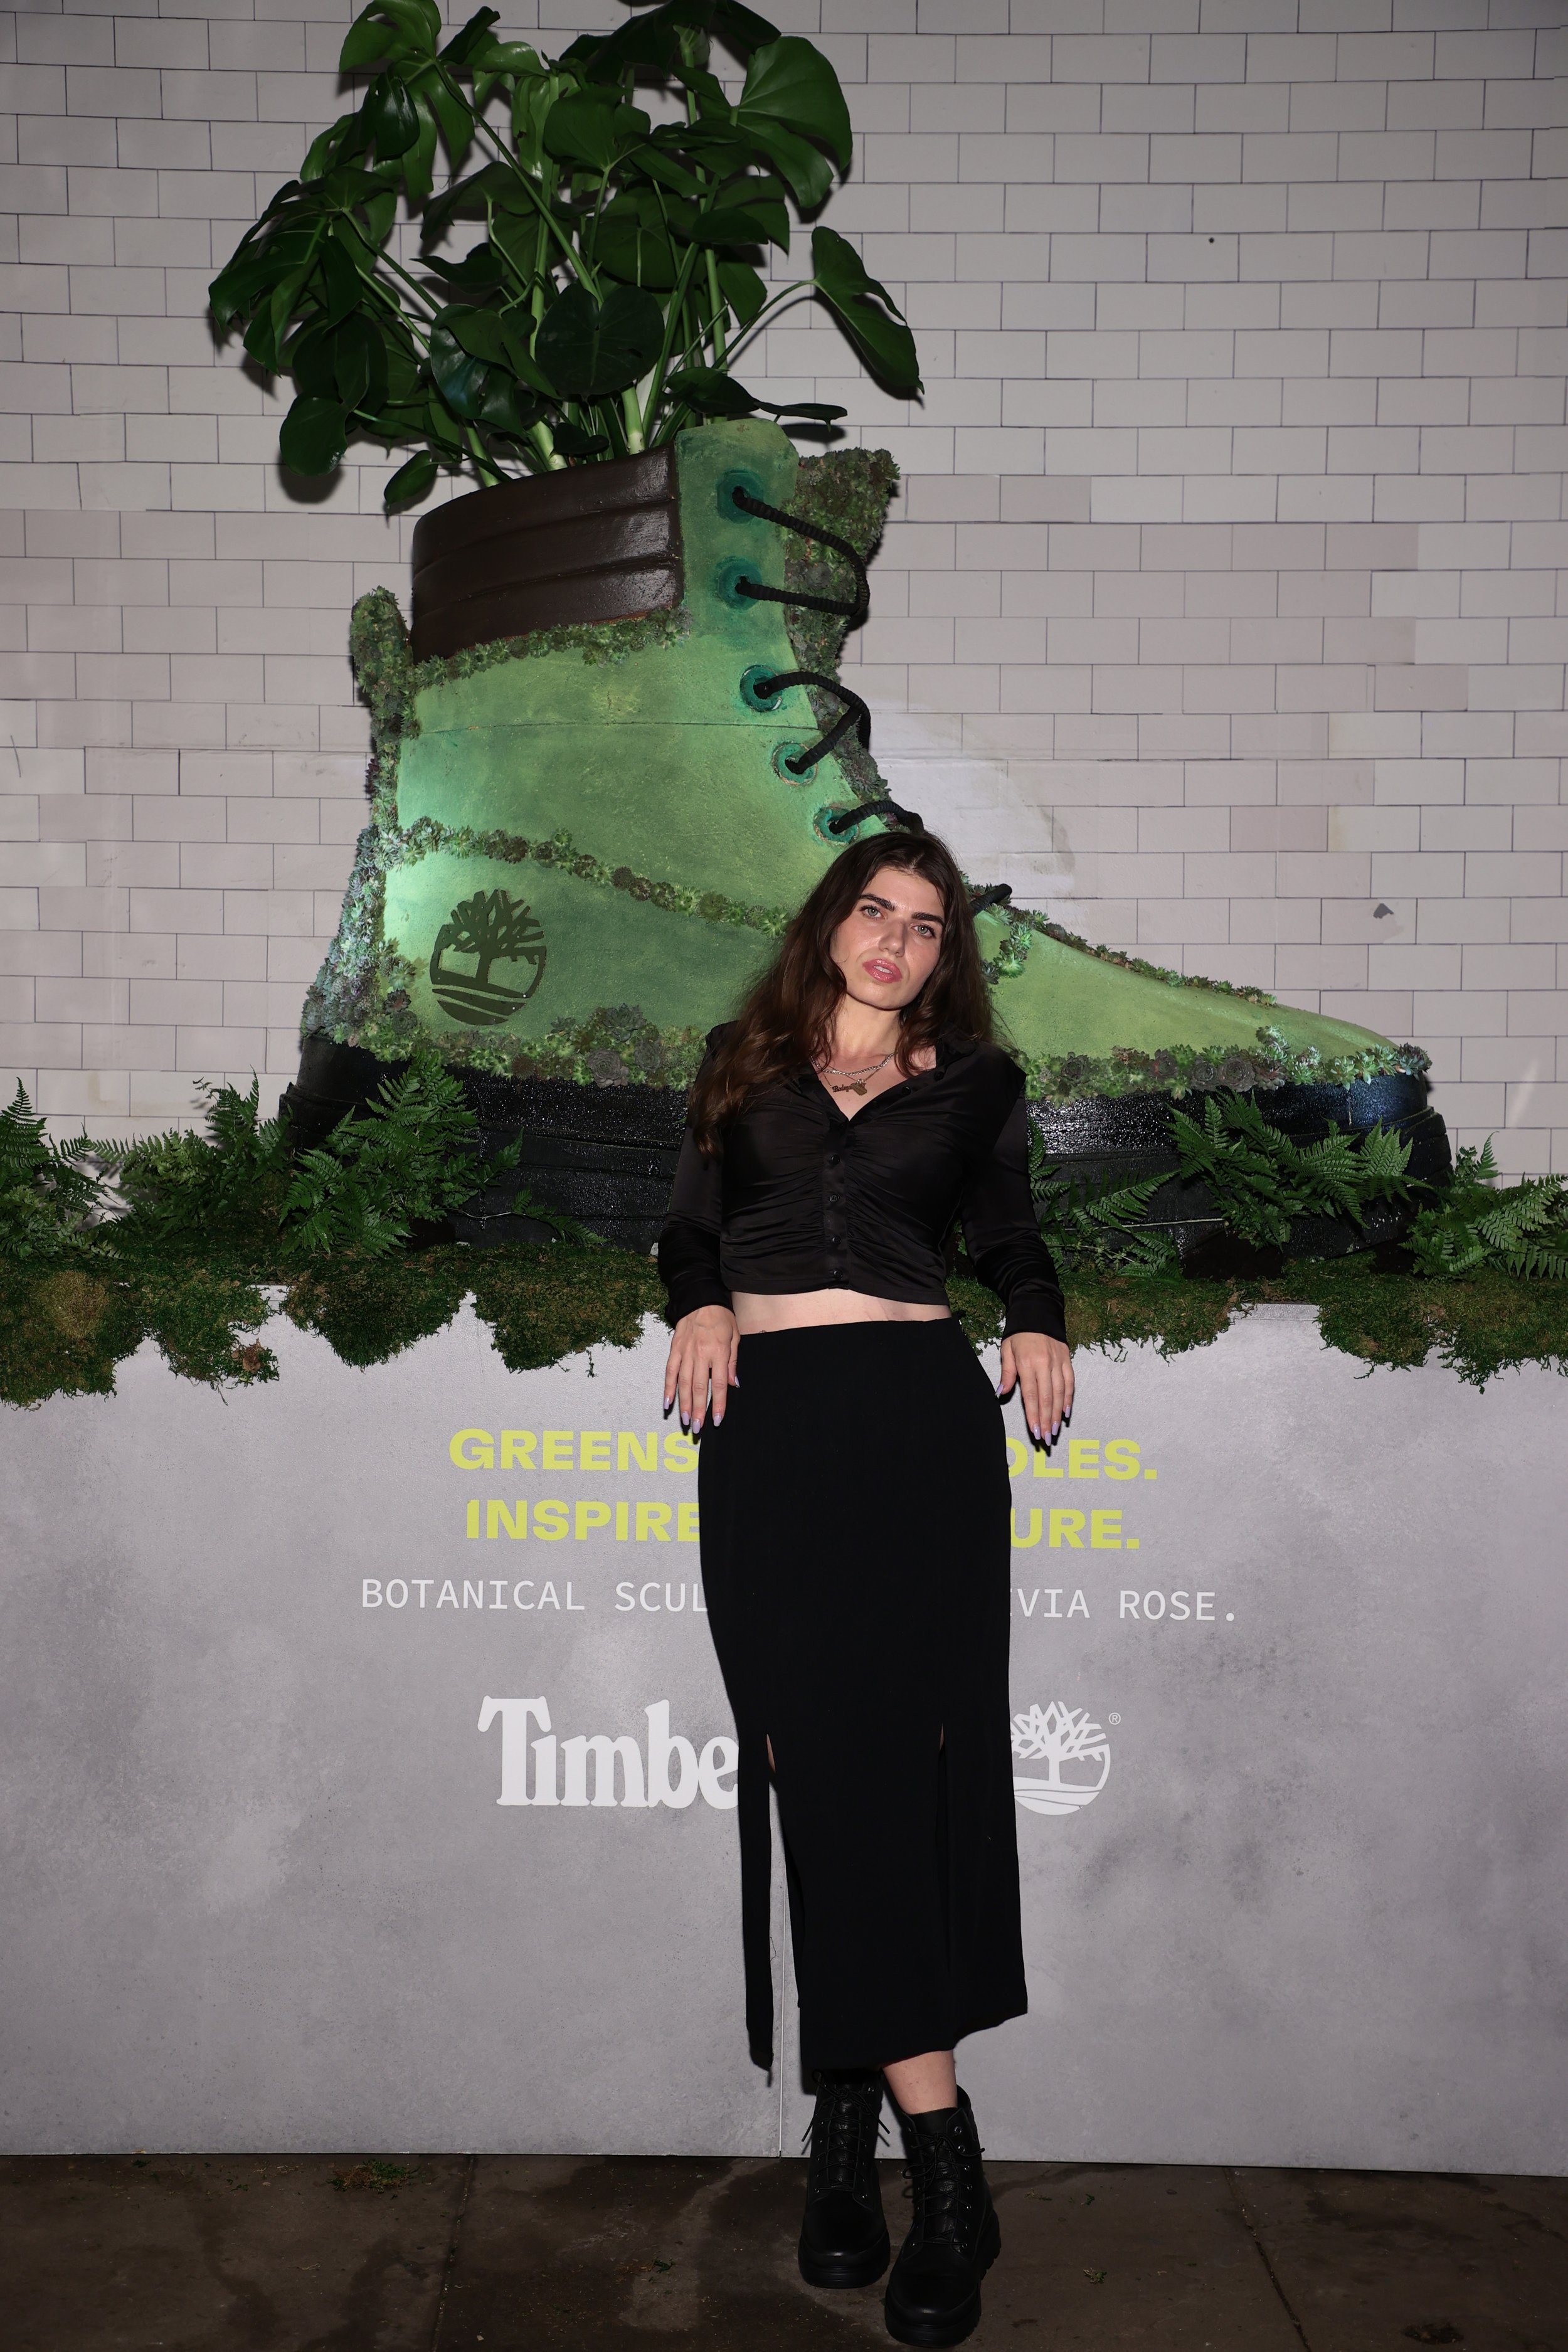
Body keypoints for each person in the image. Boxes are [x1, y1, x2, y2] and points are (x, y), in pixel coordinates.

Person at [659, 829, 1073, 2348]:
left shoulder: (974, 1085)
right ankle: (902, 2139)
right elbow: (687, 1230)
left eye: (923, 923)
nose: (893, 939)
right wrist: (700, 1303)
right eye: (871, 911)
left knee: (892, 1781)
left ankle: (903, 2160)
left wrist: (1034, 1322)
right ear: (828, 924)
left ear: (944, 951)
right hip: (769, 1437)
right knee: (801, 1760)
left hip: (914, 1426)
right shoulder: (735, 1064)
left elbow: (1010, 1234)